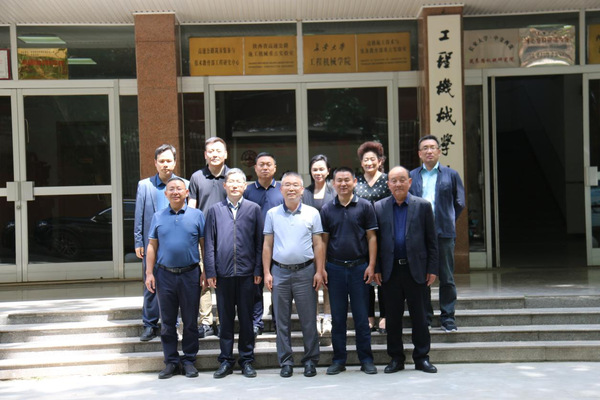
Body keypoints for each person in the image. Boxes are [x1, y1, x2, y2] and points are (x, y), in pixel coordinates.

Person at [374, 166, 438, 374]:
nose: (398, 184)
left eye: (402, 180)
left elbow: (432, 241)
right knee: (392, 318)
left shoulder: (423, 206)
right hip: (390, 271)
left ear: (409, 182)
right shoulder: (379, 207)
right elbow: (375, 242)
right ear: (388, 184)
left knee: (420, 317)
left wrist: (432, 268)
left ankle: (422, 358)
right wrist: (376, 268)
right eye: (394, 180)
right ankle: (396, 358)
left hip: (416, 269)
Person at [262, 172, 325, 378]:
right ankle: (286, 362)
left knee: (308, 319)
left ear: (301, 190)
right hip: (279, 272)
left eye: (295, 185)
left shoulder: (312, 213)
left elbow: (318, 244)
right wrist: (267, 272)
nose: (291, 189)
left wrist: (319, 271)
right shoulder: (272, 214)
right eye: (287, 185)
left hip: (305, 272)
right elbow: (267, 245)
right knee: (281, 321)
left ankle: (310, 361)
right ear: (281, 190)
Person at [204, 169, 263, 379]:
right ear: (225, 186)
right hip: (223, 275)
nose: (235, 185)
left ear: (245, 186)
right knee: (225, 320)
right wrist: (210, 270)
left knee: (247, 320)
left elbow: (259, 243)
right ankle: (226, 360)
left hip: (248, 274)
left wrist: (258, 269)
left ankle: (246, 360)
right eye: (231, 182)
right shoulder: (215, 210)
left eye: (239, 182)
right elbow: (209, 243)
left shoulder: (254, 209)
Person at [144, 177, 205, 379]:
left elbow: (204, 245)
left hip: (190, 274)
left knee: (190, 321)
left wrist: (206, 271)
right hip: (165, 275)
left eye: (179, 188)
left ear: (187, 193)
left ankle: (189, 361)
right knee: (168, 322)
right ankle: (170, 361)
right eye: (171, 189)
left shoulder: (197, 215)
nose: (175, 192)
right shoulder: (158, 216)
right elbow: (152, 246)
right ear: (166, 194)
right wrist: (149, 273)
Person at [320, 167, 378, 375]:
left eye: (347, 180)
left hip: (359, 268)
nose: (343, 184)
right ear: (333, 183)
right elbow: (323, 241)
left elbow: (372, 237)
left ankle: (366, 359)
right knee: (338, 318)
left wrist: (371, 265)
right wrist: (321, 268)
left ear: (354, 182)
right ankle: (339, 359)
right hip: (335, 269)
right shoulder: (327, 209)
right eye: (339, 180)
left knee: (362, 318)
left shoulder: (365, 206)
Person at [409, 135, 465, 332]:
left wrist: (446, 219)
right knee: (421, 277)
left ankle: (447, 317)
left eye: (433, 147)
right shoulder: (412, 176)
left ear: (439, 151)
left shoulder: (451, 175)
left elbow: (460, 203)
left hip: (444, 233)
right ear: (419, 153)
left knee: (446, 276)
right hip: (419, 235)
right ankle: (425, 316)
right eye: (425, 148)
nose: (429, 151)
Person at [134, 144, 188, 342]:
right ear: (155, 163)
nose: (165, 164)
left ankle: (174, 324)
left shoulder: (184, 184)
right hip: (152, 245)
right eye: (162, 161)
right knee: (150, 283)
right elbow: (139, 215)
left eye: (169, 161)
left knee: (176, 286)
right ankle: (149, 324)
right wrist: (138, 241)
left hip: (176, 246)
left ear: (175, 162)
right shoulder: (145, 186)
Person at [188, 137, 230, 338]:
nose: (214, 154)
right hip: (202, 237)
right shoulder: (197, 177)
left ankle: (222, 320)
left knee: (223, 279)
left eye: (218, 150)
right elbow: (192, 207)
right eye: (210, 151)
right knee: (203, 278)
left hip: (227, 237)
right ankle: (205, 321)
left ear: (225, 154)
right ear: (205, 155)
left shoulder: (232, 176)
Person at [243, 152, 284, 337]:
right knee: (256, 285)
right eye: (261, 164)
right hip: (254, 245)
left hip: (279, 245)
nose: (265, 167)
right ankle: (256, 322)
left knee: (278, 285)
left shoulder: (282, 189)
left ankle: (278, 321)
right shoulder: (248, 191)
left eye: (269, 164)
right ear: (255, 168)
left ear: (275, 168)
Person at [355, 141, 391, 334]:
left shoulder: (387, 180)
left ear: (380, 161)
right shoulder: (356, 182)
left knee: (384, 275)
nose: (369, 162)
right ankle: (369, 316)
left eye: (372, 159)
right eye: (365, 159)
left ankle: (384, 316)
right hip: (362, 236)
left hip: (385, 233)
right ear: (361, 162)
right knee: (366, 276)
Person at [301, 154, 336, 334]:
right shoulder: (305, 193)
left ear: (328, 171)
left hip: (331, 242)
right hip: (308, 243)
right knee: (311, 281)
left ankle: (328, 316)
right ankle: (314, 316)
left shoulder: (334, 191)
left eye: (322, 169)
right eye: (315, 169)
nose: (318, 172)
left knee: (328, 279)